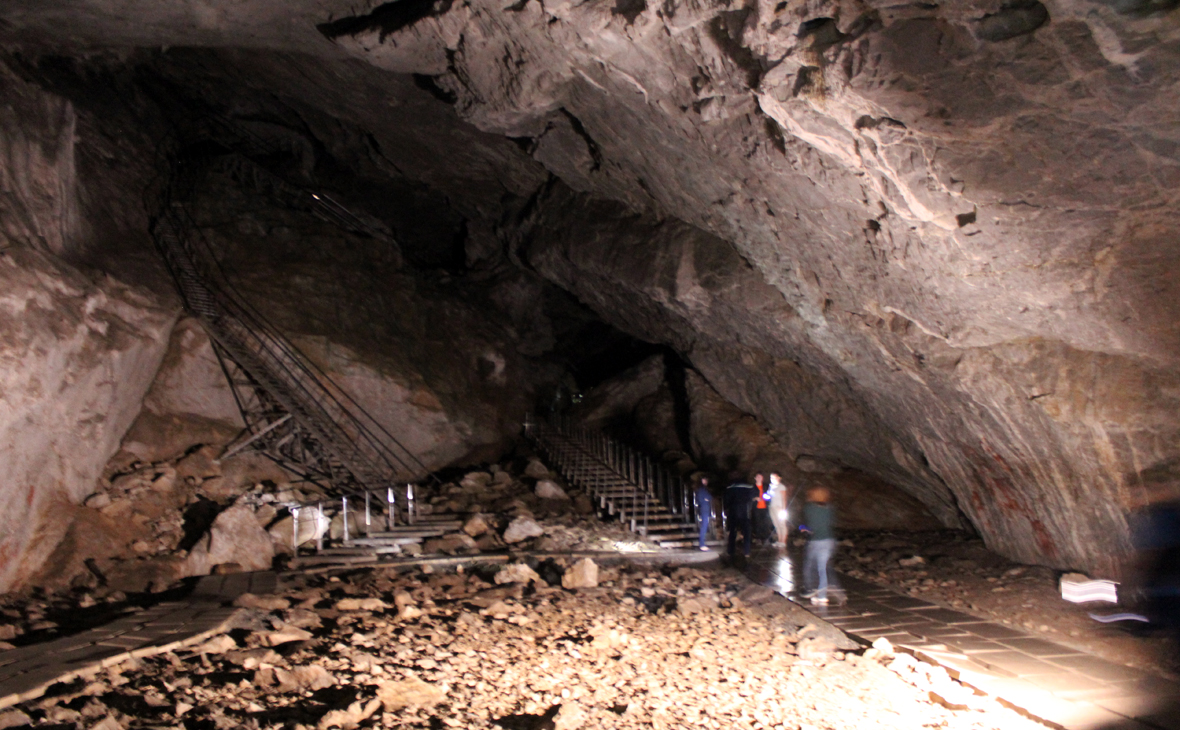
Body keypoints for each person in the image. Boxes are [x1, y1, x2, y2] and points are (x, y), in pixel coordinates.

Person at [801, 486, 841, 605]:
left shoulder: (809, 508)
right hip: (829, 541)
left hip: (816, 541)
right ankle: (822, 596)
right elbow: (831, 522)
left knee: (809, 567)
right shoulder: (830, 508)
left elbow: (811, 527)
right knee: (822, 569)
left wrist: (803, 528)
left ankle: (810, 589)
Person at [724, 474, 757, 559]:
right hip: (745, 512)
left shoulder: (730, 487)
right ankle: (747, 551)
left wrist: (727, 508)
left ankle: (730, 551)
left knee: (732, 532)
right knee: (746, 532)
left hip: (733, 512)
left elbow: (726, 500)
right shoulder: (749, 487)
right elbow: (752, 498)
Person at [752, 473, 773, 546]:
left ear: (763, 478)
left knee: (766, 523)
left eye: (760, 477)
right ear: (755, 478)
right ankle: (759, 539)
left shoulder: (766, 486)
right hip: (757, 508)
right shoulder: (753, 487)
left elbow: (770, 495)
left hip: (765, 507)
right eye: (757, 477)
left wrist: (766, 497)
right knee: (758, 523)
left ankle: (766, 538)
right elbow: (750, 496)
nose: (759, 478)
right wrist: (755, 498)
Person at [769, 472, 789, 549]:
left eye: (774, 477)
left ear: (779, 478)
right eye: (771, 478)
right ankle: (779, 540)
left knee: (782, 524)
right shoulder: (771, 487)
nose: (772, 479)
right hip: (772, 507)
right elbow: (769, 496)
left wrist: (784, 509)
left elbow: (784, 499)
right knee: (776, 525)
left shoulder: (781, 487)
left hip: (779, 507)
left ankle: (783, 541)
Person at [694, 475, 713, 551]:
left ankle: (702, 543)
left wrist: (707, 499)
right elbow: (707, 498)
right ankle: (702, 544)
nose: (706, 481)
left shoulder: (703, 489)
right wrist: (706, 499)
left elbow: (709, 497)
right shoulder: (702, 490)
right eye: (704, 480)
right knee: (704, 526)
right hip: (704, 509)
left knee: (705, 526)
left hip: (705, 508)